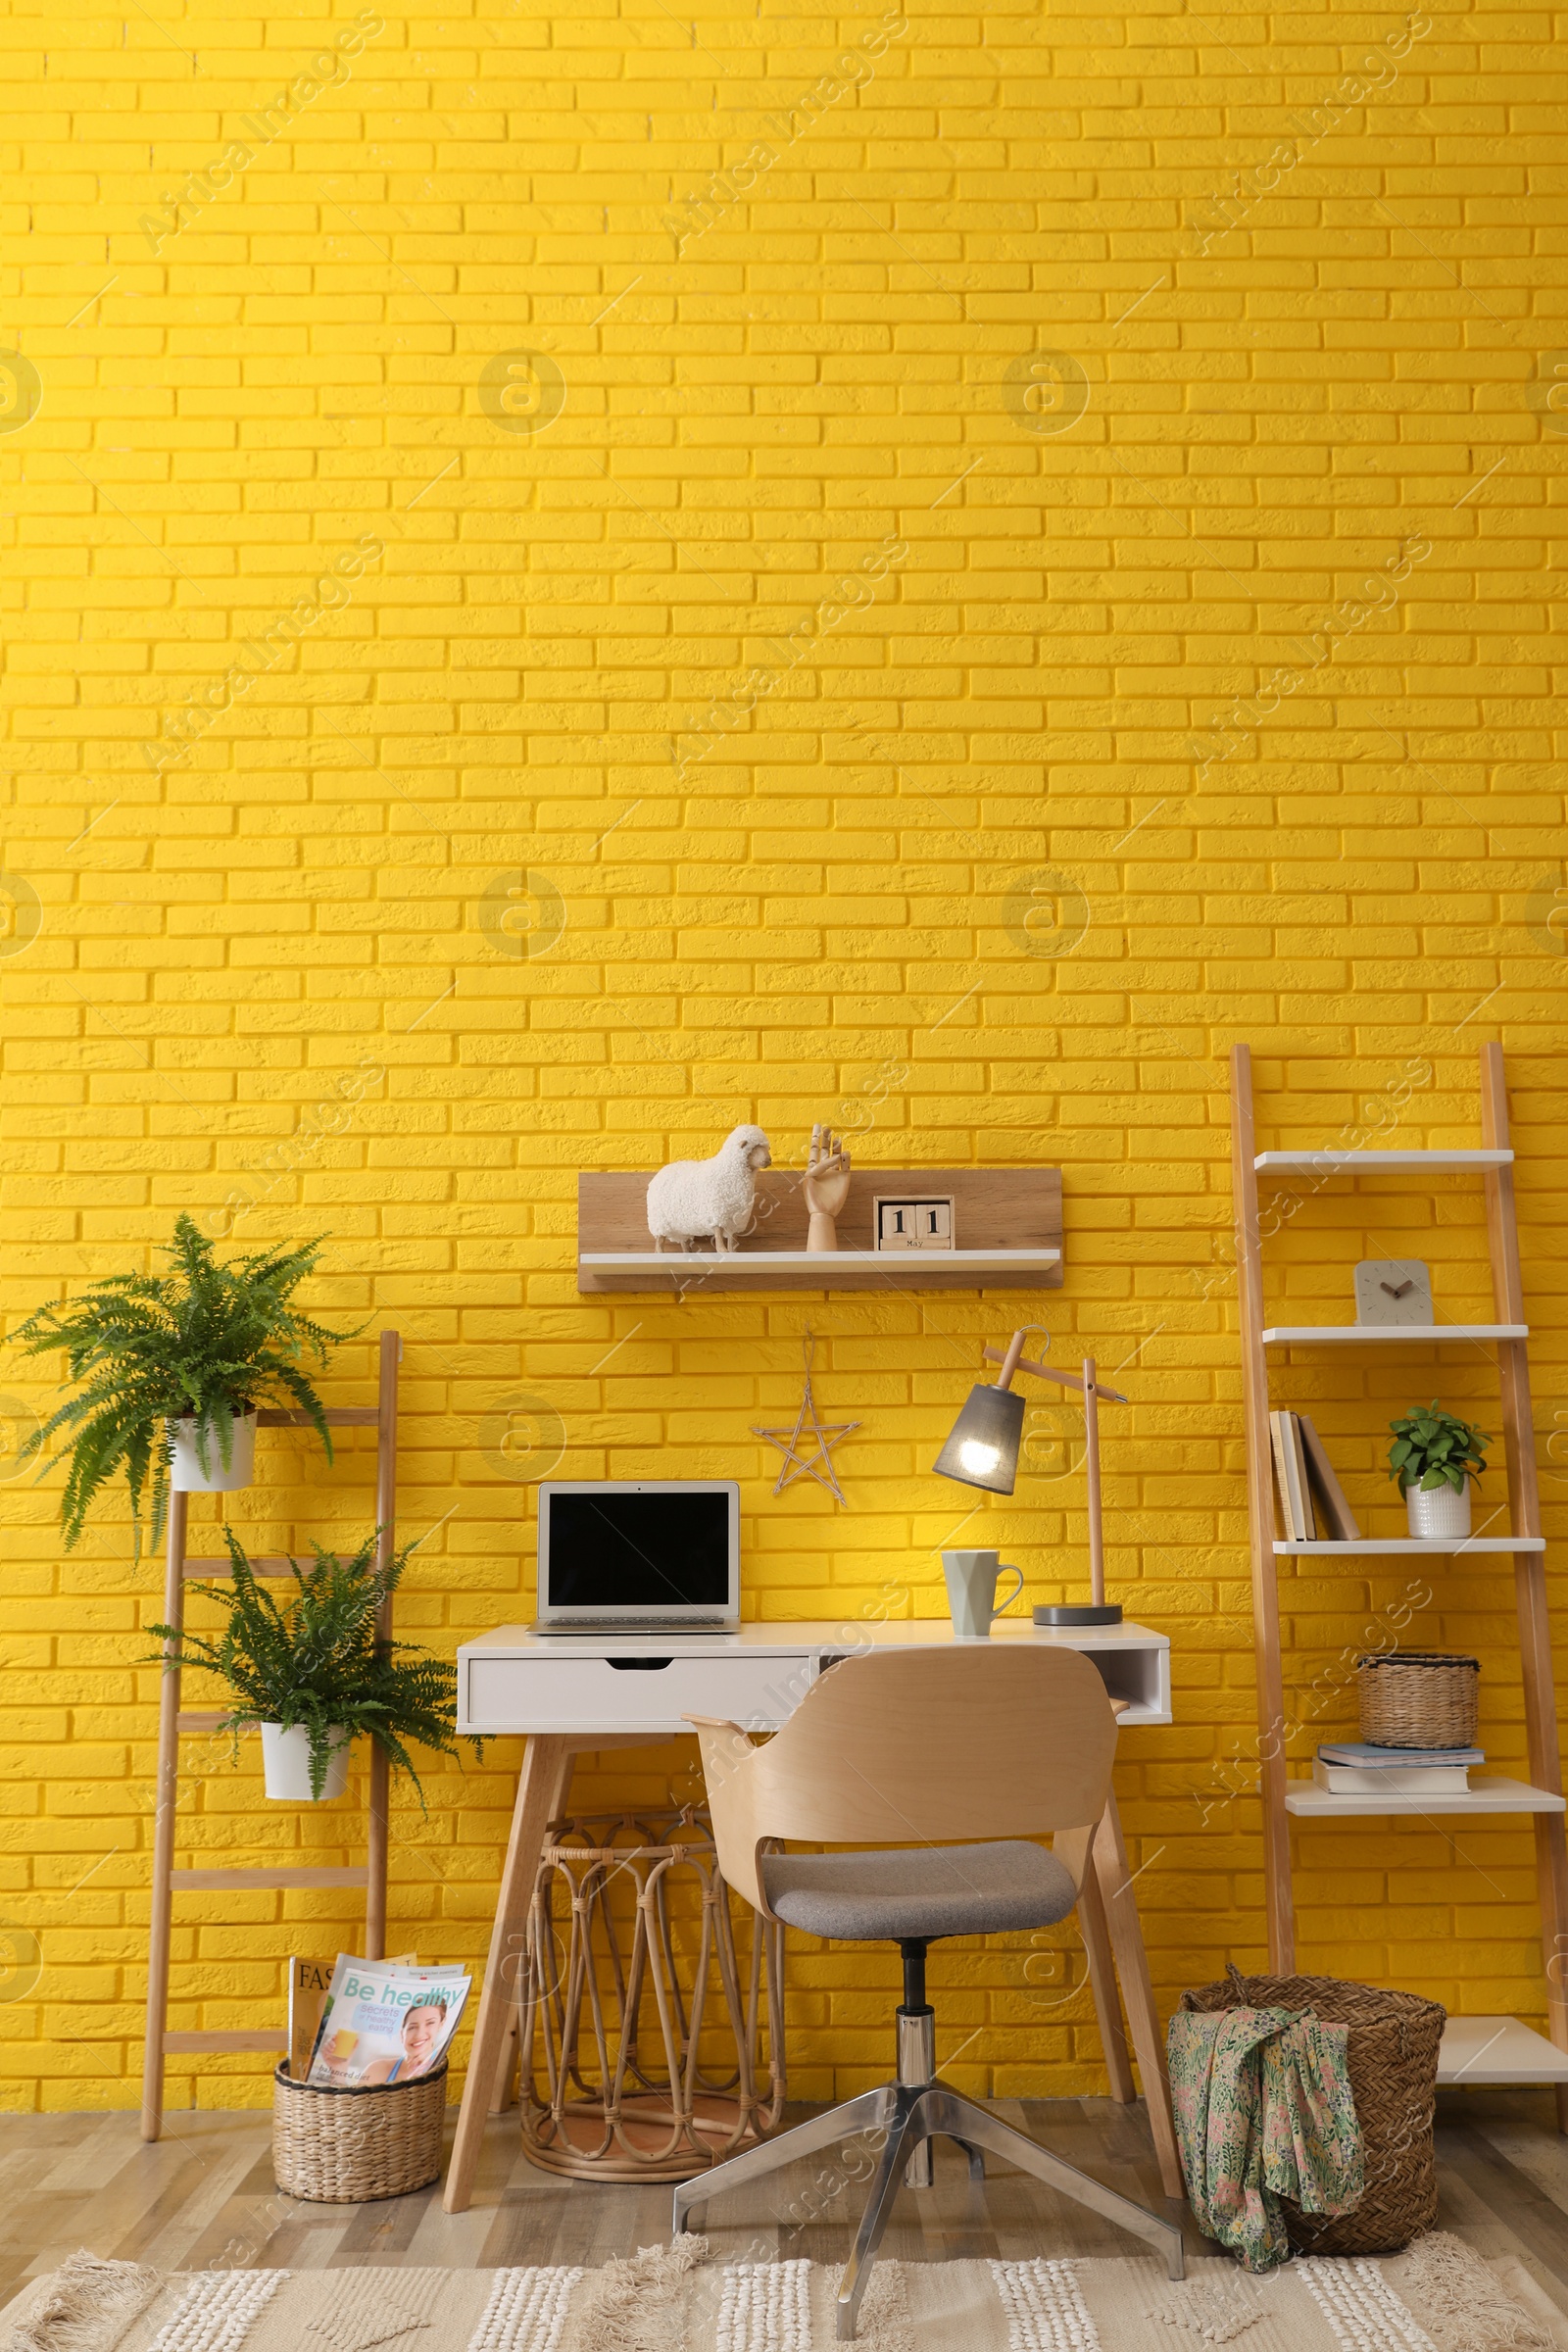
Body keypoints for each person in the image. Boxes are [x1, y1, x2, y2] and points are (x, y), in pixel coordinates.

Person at [363, 1995, 447, 2083]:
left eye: (430, 2023)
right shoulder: (377, 2069)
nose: (419, 2035)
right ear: (402, 2035)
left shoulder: (441, 2065)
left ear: (441, 2024)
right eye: (412, 2027)